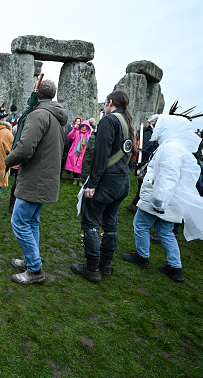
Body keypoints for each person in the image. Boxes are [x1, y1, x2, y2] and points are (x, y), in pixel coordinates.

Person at [123, 114, 203, 281]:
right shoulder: (177, 147)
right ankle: (174, 266)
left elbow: (168, 176)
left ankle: (142, 256)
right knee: (165, 231)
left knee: (141, 224)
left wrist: (159, 201)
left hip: (160, 197)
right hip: (171, 199)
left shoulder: (171, 148)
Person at [4, 79, 68, 285]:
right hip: (46, 177)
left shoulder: (39, 114)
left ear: (38, 94)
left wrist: (6, 161)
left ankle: (35, 269)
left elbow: (24, 148)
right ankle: (31, 260)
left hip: (35, 178)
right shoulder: (57, 117)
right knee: (31, 222)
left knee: (19, 221)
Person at [70, 90, 135, 283]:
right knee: (110, 223)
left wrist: (92, 183)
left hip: (106, 180)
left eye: (105, 103)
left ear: (110, 102)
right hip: (122, 180)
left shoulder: (109, 121)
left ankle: (92, 268)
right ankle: (105, 265)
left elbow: (100, 154)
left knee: (90, 222)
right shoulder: (129, 123)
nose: (104, 107)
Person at [127, 114, 159, 212]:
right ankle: (134, 204)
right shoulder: (148, 133)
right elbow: (145, 146)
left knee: (144, 184)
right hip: (145, 161)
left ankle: (135, 203)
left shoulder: (151, 133)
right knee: (143, 184)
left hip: (147, 161)